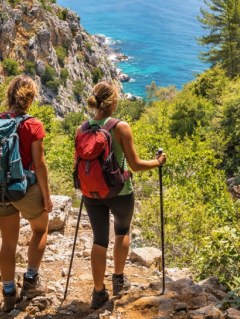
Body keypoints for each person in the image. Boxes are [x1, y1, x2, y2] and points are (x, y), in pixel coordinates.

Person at [77, 82, 168, 310]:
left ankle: (98, 293)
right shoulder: (120, 127)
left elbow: (78, 165)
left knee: (99, 239)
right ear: (113, 103)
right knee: (121, 230)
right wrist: (157, 162)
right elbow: (135, 165)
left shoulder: (81, 129)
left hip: (91, 192)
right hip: (120, 191)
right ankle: (118, 279)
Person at [0, 75, 54, 311]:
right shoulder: (32, 124)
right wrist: (46, 195)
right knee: (40, 229)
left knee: (8, 242)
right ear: (29, 98)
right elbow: (40, 165)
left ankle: (8, 292)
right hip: (25, 189)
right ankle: (31, 281)